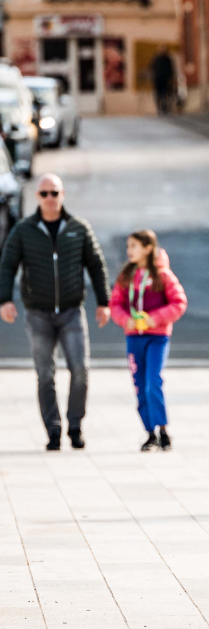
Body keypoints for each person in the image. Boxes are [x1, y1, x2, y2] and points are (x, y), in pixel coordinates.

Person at [0, 174, 110, 451]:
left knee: (80, 370)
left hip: (72, 312)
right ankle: (53, 429)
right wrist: (4, 300)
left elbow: (96, 264)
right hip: (38, 313)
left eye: (54, 193)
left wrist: (103, 301)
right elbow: (7, 264)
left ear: (62, 195)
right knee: (45, 374)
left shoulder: (79, 228)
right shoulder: (24, 230)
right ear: (37, 197)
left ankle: (75, 425)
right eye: (44, 193)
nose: (50, 198)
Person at [108, 230, 187, 452]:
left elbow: (179, 303)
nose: (129, 251)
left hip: (157, 337)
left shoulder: (163, 275)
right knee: (140, 385)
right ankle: (149, 432)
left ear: (148, 248)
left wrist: (155, 319)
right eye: (128, 247)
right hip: (134, 338)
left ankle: (163, 430)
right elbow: (115, 304)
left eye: (134, 246)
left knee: (153, 381)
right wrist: (125, 320)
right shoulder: (126, 276)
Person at [150, 47, 176, 115]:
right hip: (158, 79)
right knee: (159, 94)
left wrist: (171, 78)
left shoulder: (167, 59)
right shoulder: (156, 59)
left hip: (165, 79)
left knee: (165, 93)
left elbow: (171, 69)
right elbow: (152, 68)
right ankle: (160, 107)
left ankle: (165, 107)